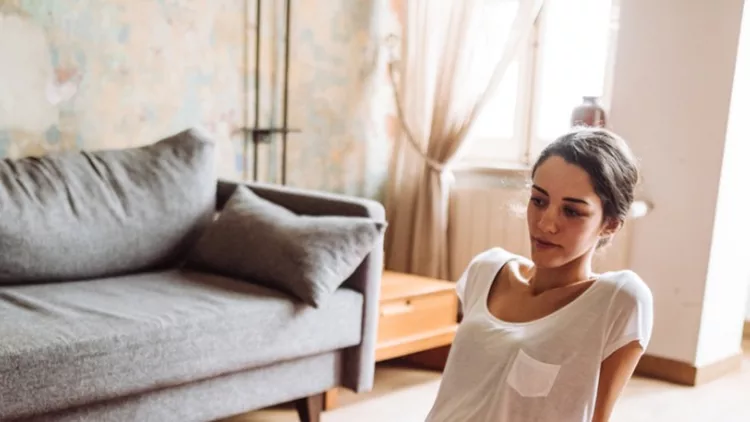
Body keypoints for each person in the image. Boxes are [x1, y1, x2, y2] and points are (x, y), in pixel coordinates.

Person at [425, 127, 654, 422]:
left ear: (609, 224)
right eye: (539, 200)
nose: (546, 224)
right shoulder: (486, 270)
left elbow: (599, 417)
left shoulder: (617, 300)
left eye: (571, 211)